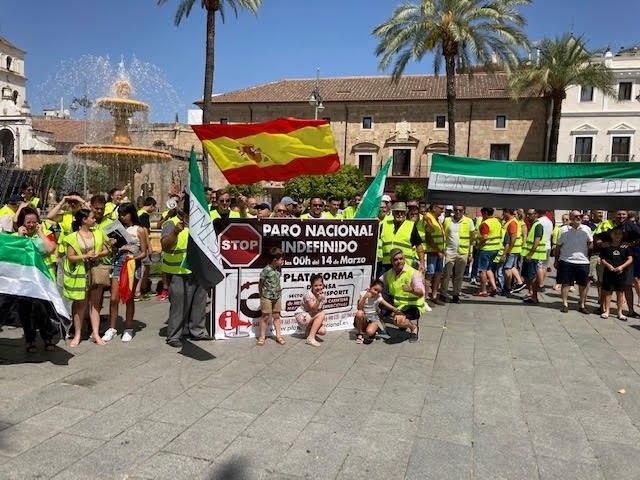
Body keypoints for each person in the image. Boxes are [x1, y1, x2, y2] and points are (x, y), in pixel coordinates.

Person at [161, 200, 211, 347]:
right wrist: (175, 232)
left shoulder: (201, 223)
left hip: (198, 270)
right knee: (179, 305)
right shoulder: (170, 223)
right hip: (178, 271)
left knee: (199, 303)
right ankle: (174, 336)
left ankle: (198, 331)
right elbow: (165, 246)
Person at [102, 203, 148, 343]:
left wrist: (133, 259)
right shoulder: (118, 228)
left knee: (128, 297)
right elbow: (114, 248)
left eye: (125, 214)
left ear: (131, 214)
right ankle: (112, 328)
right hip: (118, 262)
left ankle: (128, 328)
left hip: (132, 263)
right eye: (121, 214)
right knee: (114, 298)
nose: (123, 217)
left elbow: (144, 252)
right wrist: (112, 244)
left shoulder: (139, 230)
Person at [63, 209, 109, 347]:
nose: (95, 219)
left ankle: (95, 333)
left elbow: (107, 250)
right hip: (80, 274)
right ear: (84, 220)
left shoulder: (99, 233)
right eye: (92, 218)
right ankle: (77, 334)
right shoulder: (72, 237)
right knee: (80, 305)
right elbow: (70, 256)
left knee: (95, 304)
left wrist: (98, 255)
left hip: (95, 271)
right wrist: (85, 256)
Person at [14, 206, 58, 352]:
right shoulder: (16, 237)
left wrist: (40, 233)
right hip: (24, 281)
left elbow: (51, 248)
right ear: (22, 223)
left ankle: (47, 336)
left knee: (42, 309)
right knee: (25, 311)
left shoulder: (44, 234)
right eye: (28, 222)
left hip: (42, 279)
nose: (31, 225)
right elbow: (15, 255)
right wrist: (20, 237)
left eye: (34, 222)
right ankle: (30, 339)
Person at [381, 249, 423, 342]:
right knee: (375, 297)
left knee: (398, 321)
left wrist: (412, 289)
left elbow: (421, 292)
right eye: (395, 260)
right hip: (397, 305)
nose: (398, 261)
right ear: (391, 261)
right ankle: (380, 327)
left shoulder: (413, 273)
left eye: (401, 259)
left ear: (404, 259)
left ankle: (413, 328)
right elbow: (378, 283)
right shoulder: (389, 273)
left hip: (411, 306)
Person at [555, 210, 592, 313]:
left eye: (580, 216)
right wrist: (556, 260)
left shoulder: (587, 229)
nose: (578, 218)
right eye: (575, 216)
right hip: (566, 260)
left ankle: (582, 304)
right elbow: (558, 246)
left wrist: (587, 256)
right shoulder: (563, 230)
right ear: (570, 217)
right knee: (565, 283)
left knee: (583, 284)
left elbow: (590, 244)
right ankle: (564, 303)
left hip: (583, 261)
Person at [441, 206, 475, 303]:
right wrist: (443, 248)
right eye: (456, 210)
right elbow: (443, 235)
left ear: (464, 211)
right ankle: (443, 294)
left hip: (462, 252)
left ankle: (456, 294)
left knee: (459, 275)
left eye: (460, 210)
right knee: (446, 274)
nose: (458, 212)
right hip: (449, 251)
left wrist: (470, 253)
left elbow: (472, 239)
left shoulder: (469, 221)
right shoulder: (447, 220)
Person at [379, 202, 425, 275]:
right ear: (393, 213)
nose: (399, 214)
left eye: (402, 212)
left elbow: (418, 246)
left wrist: (422, 263)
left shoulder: (410, 226)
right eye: (397, 212)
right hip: (387, 265)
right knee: (385, 285)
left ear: (405, 213)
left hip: (404, 265)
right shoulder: (384, 224)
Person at [600, 227, 633, 320]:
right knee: (608, 292)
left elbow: (630, 259)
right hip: (609, 272)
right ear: (611, 235)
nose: (617, 236)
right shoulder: (606, 246)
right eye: (615, 234)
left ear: (622, 236)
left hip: (621, 273)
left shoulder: (625, 247)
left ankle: (620, 312)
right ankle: (607, 311)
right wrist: (608, 266)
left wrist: (622, 267)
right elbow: (602, 259)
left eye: (619, 234)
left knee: (620, 293)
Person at [257, 247, 286, 346]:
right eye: (281, 259)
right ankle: (262, 337)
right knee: (265, 316)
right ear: (275, 260)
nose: (283, 261)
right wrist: (261, 295)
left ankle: (278, 336)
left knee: (277, 316)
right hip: (267, 297)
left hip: (277, 297)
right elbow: (261, 283)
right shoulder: (266, 270)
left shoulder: (279, 268)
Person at [354, 279, 395, 344]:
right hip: (364, 317)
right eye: (375, 289)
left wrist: (396, 310)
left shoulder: (378, 297)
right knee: (359, 313)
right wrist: (364, 298)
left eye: (378, 292)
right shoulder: (363, 293)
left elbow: (387, 305)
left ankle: (373, 332)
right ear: (370, 287)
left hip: (373, 317)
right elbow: (359, 308)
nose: (376, 293)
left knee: (370, 332)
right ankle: (360, 334)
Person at [522, 209, 549, 304]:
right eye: (527, 214)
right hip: (530, 255)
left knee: (532, 277)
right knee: (527, 276)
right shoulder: (533, 225)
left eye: (530, 214)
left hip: (534, 256)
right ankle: (531, 294)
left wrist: (530, 254)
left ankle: (534, 296)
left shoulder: (538, 226)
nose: (528, 216)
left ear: (536, 215)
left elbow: (537, 241)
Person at [475, 207, 502, 297]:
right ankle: (494, 287)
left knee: (482, 270)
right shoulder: (497, 222)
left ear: (486, 213)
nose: (482, 216)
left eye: (482, 213)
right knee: (489, 269)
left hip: (486, 249)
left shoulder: (485, 223)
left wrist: (479, 245)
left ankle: (483, 290)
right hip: (496, 248)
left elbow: (485, 237)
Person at [295, 274, 327, 347]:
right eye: (315, 285)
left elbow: (319, 308)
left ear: (323, 285)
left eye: (320, 285)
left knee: (322, 331)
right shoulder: (308, 294)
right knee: (322, 314)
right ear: (311, 285)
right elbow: (313, 308)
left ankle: (308, 332)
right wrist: (318, 300)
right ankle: (311, 338)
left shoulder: (322, 294)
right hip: (302, 315)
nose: (318, 287)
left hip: (311, 316)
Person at [424, 204, 445, 305]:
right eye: (440, 208)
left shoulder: (437, 220)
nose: (442, 210)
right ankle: (425, 298)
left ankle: (434, 296)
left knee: (438, 274)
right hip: (432, 252)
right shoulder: (428, 218)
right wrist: (438, 250)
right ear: (434, 208)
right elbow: (428, 238)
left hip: (438, 252)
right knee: (430, 274)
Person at [135, 197, 156, 300]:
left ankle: (143, 288)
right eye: (154, 207)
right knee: (144, 267)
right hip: (143, 244)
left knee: (145, 267)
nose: (154, 209)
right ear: (151, 205)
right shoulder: (144, 215)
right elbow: (145, 231)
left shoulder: (138, 213)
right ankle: (139, 290)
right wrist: (149, 246)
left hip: (138, 243)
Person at [501, 209, 525, 294]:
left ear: (507, 213)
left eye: (504, 212)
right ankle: (519, 283)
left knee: (507, 268)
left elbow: (513, 237)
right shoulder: (511, 221)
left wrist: (509, 250)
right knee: (511, 267)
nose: (502, 214)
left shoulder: (512, 223)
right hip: (514, 249)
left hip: (512, 249)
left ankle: (507, 287)